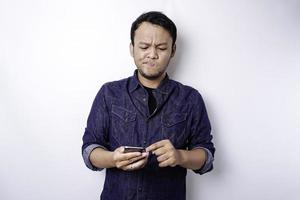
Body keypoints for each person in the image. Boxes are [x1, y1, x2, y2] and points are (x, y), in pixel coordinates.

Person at [82, 11, 215, 200]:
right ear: (132, 48)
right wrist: (113, 159)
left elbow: (207, 156)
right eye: (144, 46)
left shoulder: (191, 99)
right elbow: (89, 150)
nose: (152, 55)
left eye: (161, 48)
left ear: (173, 50)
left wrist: (180, 156)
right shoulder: (109, 93)